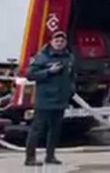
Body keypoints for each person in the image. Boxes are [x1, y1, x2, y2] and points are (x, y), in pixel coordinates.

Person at [24, 30, 75, 166]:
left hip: (60, 100)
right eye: (57, 41)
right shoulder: (42, 57)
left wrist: (71, 91)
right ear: (51, 42)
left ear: (65, 43)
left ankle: (50, 156)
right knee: (37, 129)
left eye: (62, 41)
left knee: (55, 130)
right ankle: (30, 158)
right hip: (45, 100)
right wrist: (48, 72)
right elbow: (30, 74)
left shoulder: (69, 57)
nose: (59, 43)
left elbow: (72, 76)